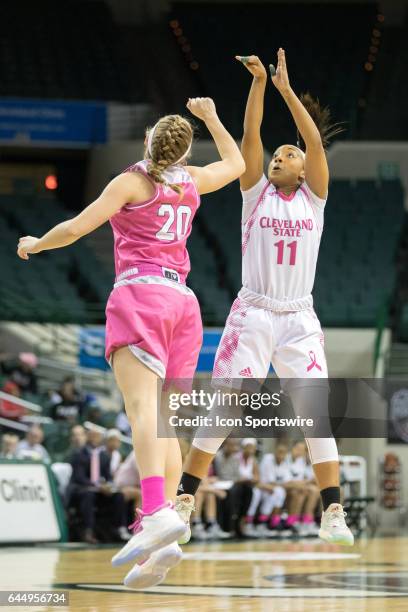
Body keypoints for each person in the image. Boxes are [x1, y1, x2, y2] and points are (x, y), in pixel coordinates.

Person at [17, 97, 245, 588]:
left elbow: (76, 228)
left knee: (141, 412)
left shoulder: (131, 181)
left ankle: (157, 510)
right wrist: (212, 118)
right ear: (184, 153)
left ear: (147, 141)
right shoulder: (190, 181)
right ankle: (162, 536)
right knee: (165, 421)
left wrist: (35, 243)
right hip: (185, 305)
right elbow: (238, 163)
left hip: (141, 293)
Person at [176, 50, 353, 547]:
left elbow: (314, 141)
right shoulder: (256, 194)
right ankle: (185, 500)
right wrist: (257, 84)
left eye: (288, 155)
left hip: (299, 317)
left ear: (303, 172)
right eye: (278, 154)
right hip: (253, 310)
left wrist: (285, 89)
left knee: (315, 416)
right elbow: (250, 137)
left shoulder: (315, 198)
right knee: (224, 407)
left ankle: (332, 511)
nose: (280, 155)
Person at [67, 429, 130, 544]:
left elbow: (108, 477)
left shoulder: (104, 455)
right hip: (80, 488)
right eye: (92, 436)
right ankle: (88, 531)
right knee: (89, 495)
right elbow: (79, 477)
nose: (95, 439)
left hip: (98, 490)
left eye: (97, 436)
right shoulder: (79, 453)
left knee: (119, 495)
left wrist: (109, 486)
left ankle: (119, 529)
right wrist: (97, 485)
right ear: (88, 437)